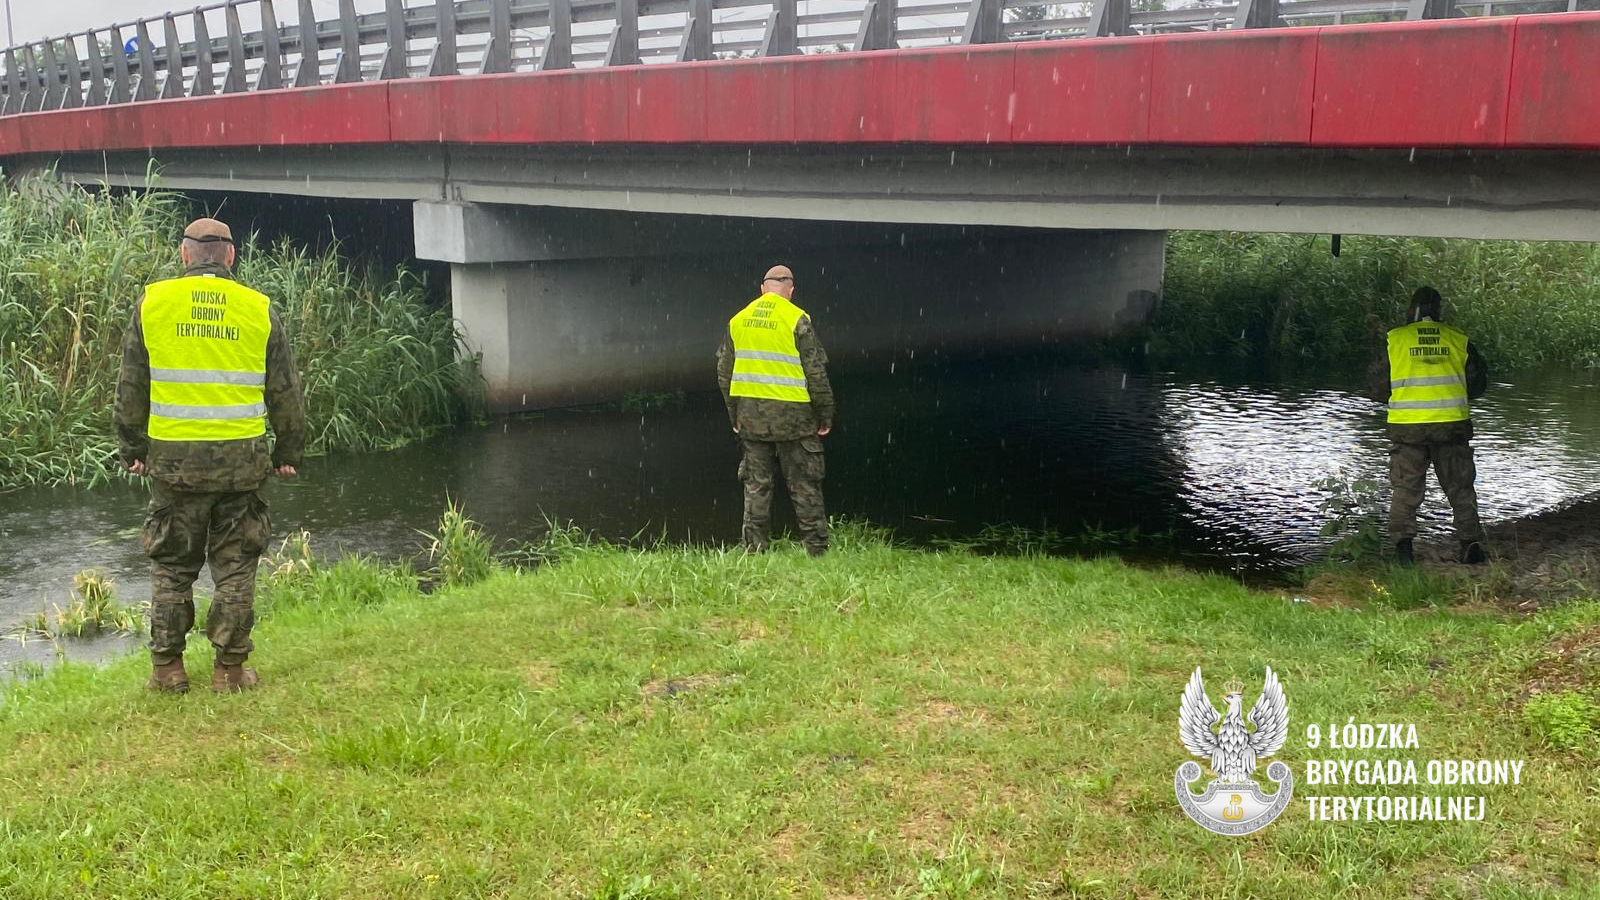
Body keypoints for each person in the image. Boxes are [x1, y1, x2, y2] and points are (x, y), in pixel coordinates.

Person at [115, 218, 306, 694]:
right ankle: (230, 672)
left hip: (173, 465)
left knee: (172, 567)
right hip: (242, 466)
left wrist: (132, 447)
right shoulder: (258, 308)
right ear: (231, 256)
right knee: (236, 567)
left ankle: (167, 670)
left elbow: (131, 383)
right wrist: (288, 450)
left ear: (184, 255)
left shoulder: (153, 303)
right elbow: (285, 390)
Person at [715, 265, 835, 556]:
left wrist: (734, 414)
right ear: (790, 291)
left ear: (762, 289)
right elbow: (816, 373)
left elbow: (724, 373)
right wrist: (825, 415)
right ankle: (817, 550)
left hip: (751, 420)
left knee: (756, 486)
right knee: (805, 484)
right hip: (795, 421)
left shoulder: (738, 320)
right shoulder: (797, 319)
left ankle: (754, 549)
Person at [1366, 286, 1488, 566]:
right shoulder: (1458, 340)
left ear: (1412, 309)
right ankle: (1470, 544)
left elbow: (1376, 388)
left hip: (1408, 429)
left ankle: (1403, 552)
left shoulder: (1395, 340)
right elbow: (1477, 384)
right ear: (1439, 310)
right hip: (1451, 427)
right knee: (1460, 487)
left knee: (1406, 489)